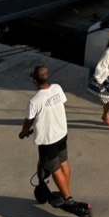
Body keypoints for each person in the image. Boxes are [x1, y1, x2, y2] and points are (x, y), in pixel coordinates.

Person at [19, 66, 74, 203]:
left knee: (54, 168)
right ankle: (65, 190)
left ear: (34, 81)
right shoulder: (57, 88)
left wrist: (23, 133)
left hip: (48, 140)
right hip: (61, 133)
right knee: (64, 163)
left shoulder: (34, 101)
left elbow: (28, 121)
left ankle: (67, 198)